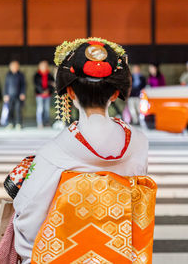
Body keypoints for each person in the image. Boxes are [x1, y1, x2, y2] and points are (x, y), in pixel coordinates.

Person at [12, 38, 152, 264]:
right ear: (115, 94)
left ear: (70, 93)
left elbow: (26, 216)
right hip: (119, 253)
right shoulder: (139, 142)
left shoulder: (55, 151)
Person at [4, 61, 26, 130]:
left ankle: (19, 124)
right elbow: (6, 85)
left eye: (15, 66)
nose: (14, 67)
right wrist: (5, 94)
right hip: (10, 96)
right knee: (10, 110)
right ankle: (10, 123)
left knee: (18, 110)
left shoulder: (20, 75)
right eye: (12, 66)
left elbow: (23, 85)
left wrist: (23, 93)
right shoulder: (8, 75)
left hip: (18, 96)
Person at [34, 60, 54, 128]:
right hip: (39, 95)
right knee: (40, 109)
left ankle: (47, 122)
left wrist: (48, 91)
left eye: (45, 66)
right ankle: (40, 123)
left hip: (47, 95)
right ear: (39, 67)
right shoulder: (37, 75)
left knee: (46, 109)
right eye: (42, 66)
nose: (44, 67)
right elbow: (36, 85)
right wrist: (42, 91)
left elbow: (52, 84)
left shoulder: (50, 75)